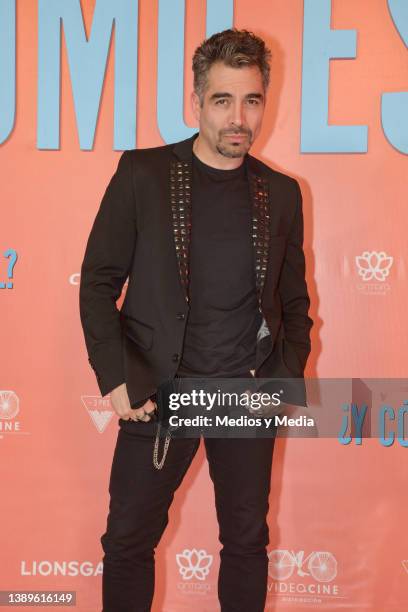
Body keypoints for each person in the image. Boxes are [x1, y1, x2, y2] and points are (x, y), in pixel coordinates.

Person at [79, 28, 313, 612]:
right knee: (128, 542)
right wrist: (116, 379)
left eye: (252, 99)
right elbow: (99, 282)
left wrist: (282, 382)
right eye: (223, 100)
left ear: (265, 100)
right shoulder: (144, 174)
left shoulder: (281, 193)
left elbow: (294, 304)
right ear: (197, 100)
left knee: (246, 543)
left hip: (245, 394)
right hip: (159, 392)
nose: (239, 117)